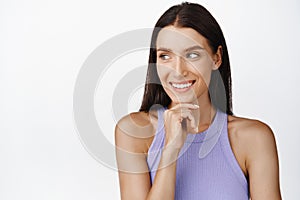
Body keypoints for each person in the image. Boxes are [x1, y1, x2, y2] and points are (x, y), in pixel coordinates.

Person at [115, 2, 281, 199]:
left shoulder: (253, 138)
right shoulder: (134, 133)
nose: (178, 70)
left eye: (192, 55)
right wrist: (170, 150)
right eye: (165, 56)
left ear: (216, 58)